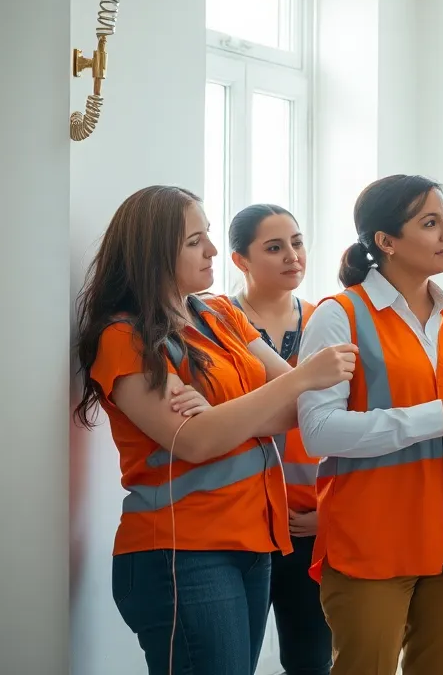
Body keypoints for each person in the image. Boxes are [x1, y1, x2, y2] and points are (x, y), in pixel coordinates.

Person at [72, 185, 356, 675]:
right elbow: (197, 441)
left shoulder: (219, 313)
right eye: (194, 241)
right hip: (182, 552)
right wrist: (303, 377)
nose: (212, 251)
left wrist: (223, 411)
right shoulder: (122, 337)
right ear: (152, 252)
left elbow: (300, 410)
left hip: (252, 542)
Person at [296, 174, 443, 675]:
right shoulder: (339, 315)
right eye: (430, 223)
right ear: (386, 242)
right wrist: (438, 416)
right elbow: (319, 431)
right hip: (371, 540)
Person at [227, 203, 331, 675]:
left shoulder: (327, 322)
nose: (292, 255)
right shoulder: (214, 324)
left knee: (311, 660)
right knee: (232, 660)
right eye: (274, 247)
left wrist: (327, 514)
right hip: (241, 524)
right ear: (240, 261)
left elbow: (357, 421)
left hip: (311, 522)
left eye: (297, 242)